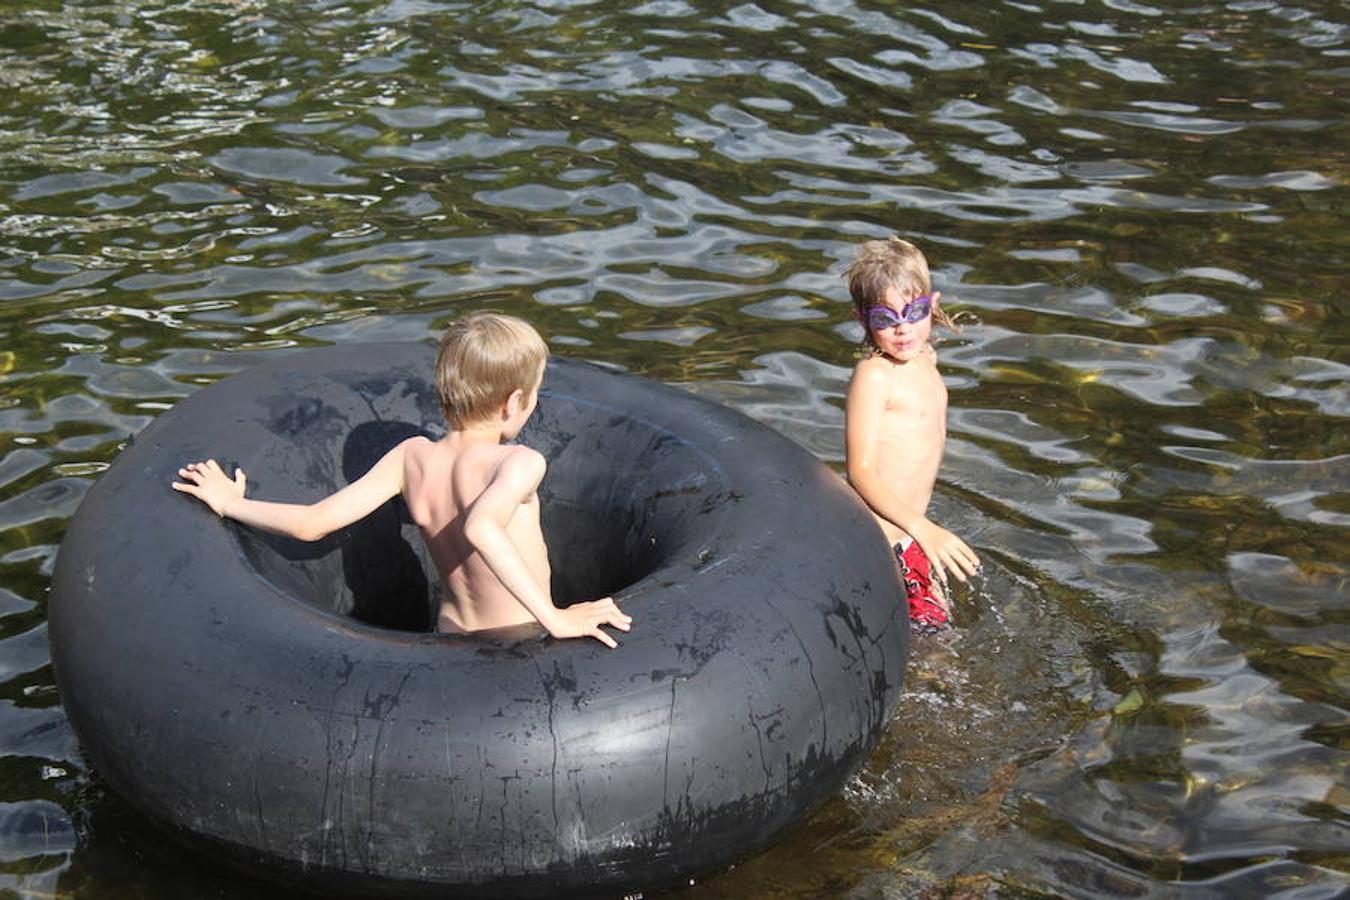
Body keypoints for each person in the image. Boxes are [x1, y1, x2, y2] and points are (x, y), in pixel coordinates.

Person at [171, 312, 632, 648]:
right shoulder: (518, 462)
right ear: (514, 402)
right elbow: (481, 527)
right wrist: (553, 617)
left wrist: (230, 503)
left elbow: (313, 522)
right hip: (521, 641)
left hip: (449, 641)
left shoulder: (410, 457)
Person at [843, 237, 980, 633]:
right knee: (931, 645)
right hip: (882, 542)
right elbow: (862, 471)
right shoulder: (875, 376)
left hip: (909, 535)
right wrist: (922, 529)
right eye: (886, 319)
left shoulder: (925, 359)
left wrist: (919, 531)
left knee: (938, 639)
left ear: (932, 304)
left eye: (914, 312)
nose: (903, 330)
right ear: (862, 319)